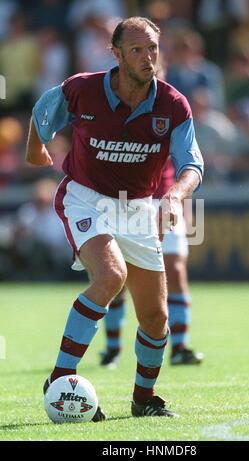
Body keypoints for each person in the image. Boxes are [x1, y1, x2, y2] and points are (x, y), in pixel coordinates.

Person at [25, 16, 203, 419]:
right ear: (117, 54)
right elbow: (41, 109)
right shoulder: (82, 89)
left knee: (156, 317)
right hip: (86, 198)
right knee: (110, 276)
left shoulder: (173, 104)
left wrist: (175, 195)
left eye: (153, 49)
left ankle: (143, 400)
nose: (147, 57)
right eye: (137, 50)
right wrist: (36, 148)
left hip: (139, 206)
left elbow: (191, 162)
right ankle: (59, 379)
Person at [100, 157, 204, 367]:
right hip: (125, 203)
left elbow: (187, 165)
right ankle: (113, 349)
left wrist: (186, 206)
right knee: (118, 276)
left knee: (175, 271)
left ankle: (180, 348)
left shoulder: (176, 123)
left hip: (166, 203)